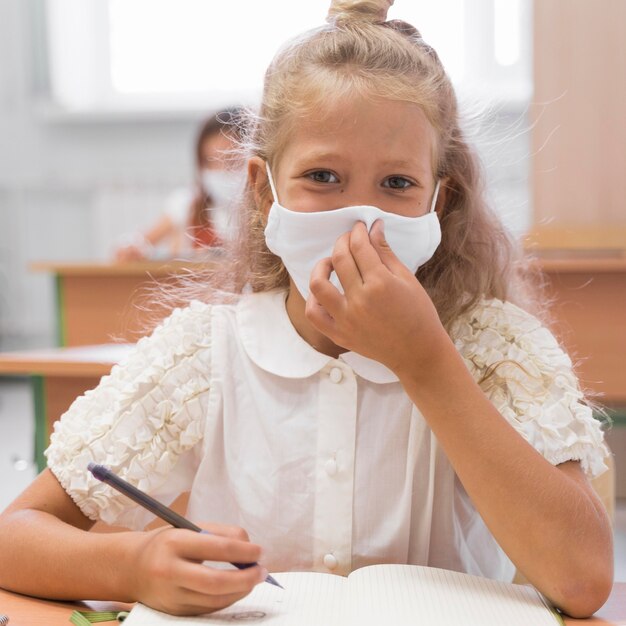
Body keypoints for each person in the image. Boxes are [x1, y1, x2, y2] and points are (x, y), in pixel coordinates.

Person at [0, 0, 613, 619]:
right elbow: (13, 537)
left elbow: (584, 581)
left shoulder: (491, 345)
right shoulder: (202, 354)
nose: (358, 217)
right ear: (263, 192)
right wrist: (130, 566)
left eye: (397, 184)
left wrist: (425, 362)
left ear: (438, 198)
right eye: (322, 176)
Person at [115, 107, 246, 261]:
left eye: (231, 160)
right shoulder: (187, 204)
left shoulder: (267, 210)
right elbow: (143, 242)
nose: (221, 170)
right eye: (211, 161)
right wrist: (132, 246)